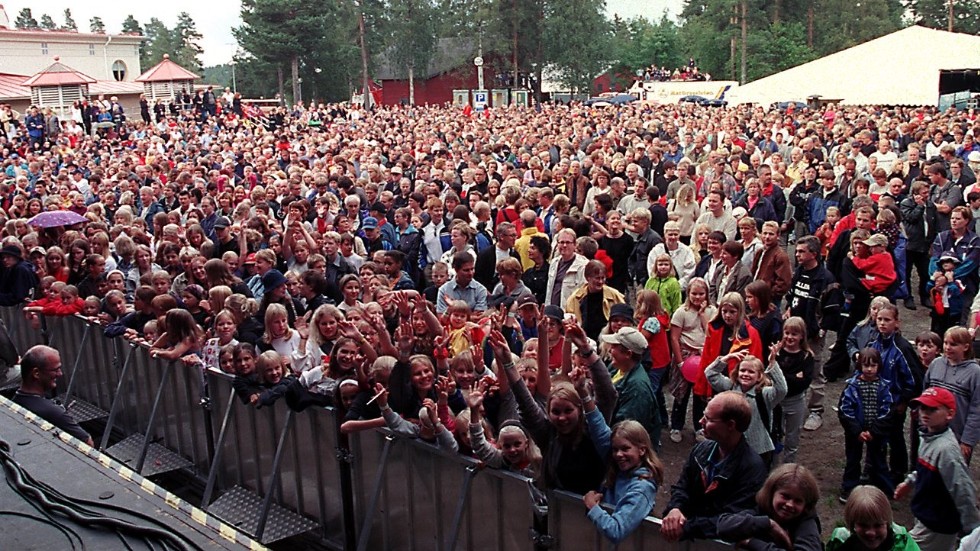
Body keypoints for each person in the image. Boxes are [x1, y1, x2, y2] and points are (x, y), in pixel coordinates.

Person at [660, 391, 767, 542]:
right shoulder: (700, 450)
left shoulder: (752, 469)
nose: (700, 421)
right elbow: (683, 486)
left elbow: (732, 518)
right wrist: (675, 509)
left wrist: (687, 528)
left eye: (708, 419)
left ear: (730, 425)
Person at [894, 386, 980, 551]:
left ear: (949, 414)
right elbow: (924, 468)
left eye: (932, 409)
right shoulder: (928, 436)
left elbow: (962, 488)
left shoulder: (946, 450)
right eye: (923, 407)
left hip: (938, 523)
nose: (925, 413)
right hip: (926, 515)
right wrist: (910, 482)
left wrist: (974, 532)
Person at [583, 415, 664, 544]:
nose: (619, 454)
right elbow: (600, 431)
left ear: (642, 450)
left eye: (625, 448)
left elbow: (616, 530)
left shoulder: (642, 488)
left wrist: (593, 507)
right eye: (615, 449)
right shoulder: (618, 471)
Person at [706, 347, 787, 466]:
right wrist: (726, 359)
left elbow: (782, 389)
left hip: (759, 448)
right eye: (743, 370)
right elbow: (710, 374)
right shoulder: (730, 387)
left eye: (751, 372)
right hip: (732, 446)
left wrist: (773, 364)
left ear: (759, 376)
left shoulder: (764, 394)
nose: (746, 374)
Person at [785, 236, 834, 432]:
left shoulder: (825, 278)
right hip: (793, 330)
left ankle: (816, 410)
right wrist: (788, 310)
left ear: (813, 254)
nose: (797, 255)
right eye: (796, 251)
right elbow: (793, 297)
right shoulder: (799, 272)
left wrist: (820, 331)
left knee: (814, 371)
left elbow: (831, 312)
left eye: (801, 252)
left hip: (812, 335)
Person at [716, 464, 823, 551]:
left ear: (806, 504)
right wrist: (769, 524)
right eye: (785, 496)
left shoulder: (806, 521)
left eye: (798, 501)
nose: (790, 504)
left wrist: (753, 543)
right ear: (772, 493)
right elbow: (723, 526)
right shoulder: (762, 508)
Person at [838, 348, 896, 501]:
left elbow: (887, 410)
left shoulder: (884, 387)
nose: (869, 369)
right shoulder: (852, 386)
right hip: (855, 432)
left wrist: (875, 431)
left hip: (876, 431)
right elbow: (845, 410)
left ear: (879, 366)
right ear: (859, 366)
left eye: (873, 366)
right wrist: (857, 430)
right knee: (852, 459)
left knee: (879, 459)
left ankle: (883, 488)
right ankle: (849, 487)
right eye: (865, 365)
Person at [13, 345, 93, 446]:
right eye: (55, 370)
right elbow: (88, 444)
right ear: (36, 373)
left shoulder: (15, 400)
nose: (60, 374)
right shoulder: (54, 413)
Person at [922, 326, 980, 464]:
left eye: (953, 344)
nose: (947, 347)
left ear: (965, 347)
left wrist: (967, 441)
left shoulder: (975, 373)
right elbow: (925, 393)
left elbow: (977, 410)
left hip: (956, 437)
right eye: (945, 343)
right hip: (931, 432)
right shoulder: (936, 364)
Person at [827, 485, 919, 551]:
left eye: (878, 525)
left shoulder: (903, 543)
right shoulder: (840, 542)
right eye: (863, 525)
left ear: (887, 523)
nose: (871, 532)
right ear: (852, 523)